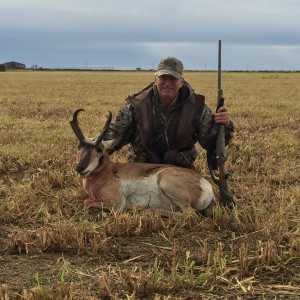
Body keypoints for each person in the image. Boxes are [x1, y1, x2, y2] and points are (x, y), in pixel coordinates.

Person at [103, 56, 234, 170]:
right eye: (163, 78)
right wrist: (92, 143)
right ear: (155, 79)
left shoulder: (196, 107)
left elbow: (209, 142)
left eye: (173, 79)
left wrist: (224, 125)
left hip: (180, 170)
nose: (168, 83)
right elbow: (117, 136)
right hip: (141, 171)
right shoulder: (137, 105)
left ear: (181, 82)